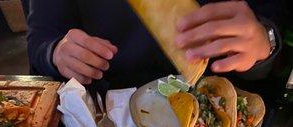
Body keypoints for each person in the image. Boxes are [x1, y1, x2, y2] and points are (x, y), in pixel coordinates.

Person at [26, 0, 285, 87]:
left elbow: (273, 20)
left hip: (221, 121)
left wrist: (265, 41)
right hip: (102, 120)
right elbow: (41, 38)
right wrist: (57, 52)